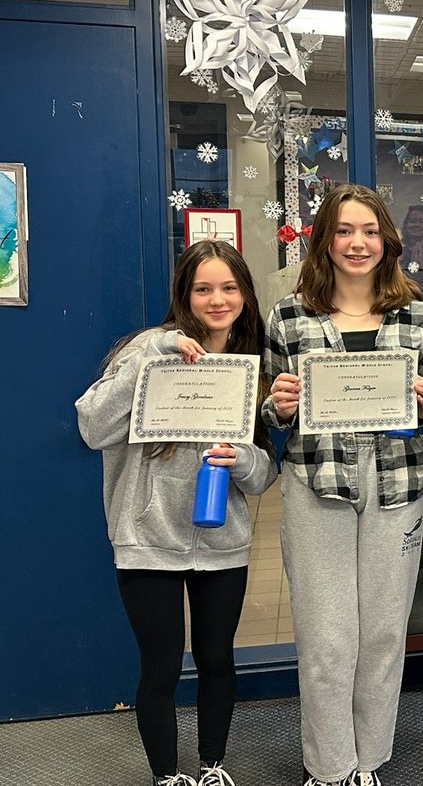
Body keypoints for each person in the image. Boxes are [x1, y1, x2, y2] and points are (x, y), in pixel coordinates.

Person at [76, 240, 275, 786]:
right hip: (148, 541)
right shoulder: (146, 350)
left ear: (245, 294)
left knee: (216, 659)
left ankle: (212, 766)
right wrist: (154, 353)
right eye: (204, 288)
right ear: (184, 295)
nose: (218, 299)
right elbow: (91, 427)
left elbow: (263, 477)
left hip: (223, 544)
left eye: (229, 287)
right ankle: (168, 775)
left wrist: (242, 460)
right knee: (161, 667)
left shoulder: (249, 363)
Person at [262, 184, 423, 786]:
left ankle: (369, 761)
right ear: (324, 242)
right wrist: (279, 406)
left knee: (385, 632)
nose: (357, 243)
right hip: (318, 480)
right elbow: (266, 411)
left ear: (386, 239)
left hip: (396, 480)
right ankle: (330, 766)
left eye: (369, 230)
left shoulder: (418, 315)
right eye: (343, 231)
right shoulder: (288, 317)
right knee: (327, 636)